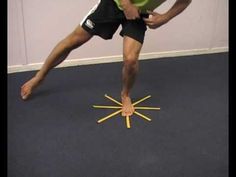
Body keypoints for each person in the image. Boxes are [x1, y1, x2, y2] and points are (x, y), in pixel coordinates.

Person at [20, 0, 192, 116]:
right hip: (113, 3)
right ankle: (39, 77)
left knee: (131, 60)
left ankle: (125, 95)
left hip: (139, 13)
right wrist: (125, 3)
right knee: (73, 40)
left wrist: (165, 17)